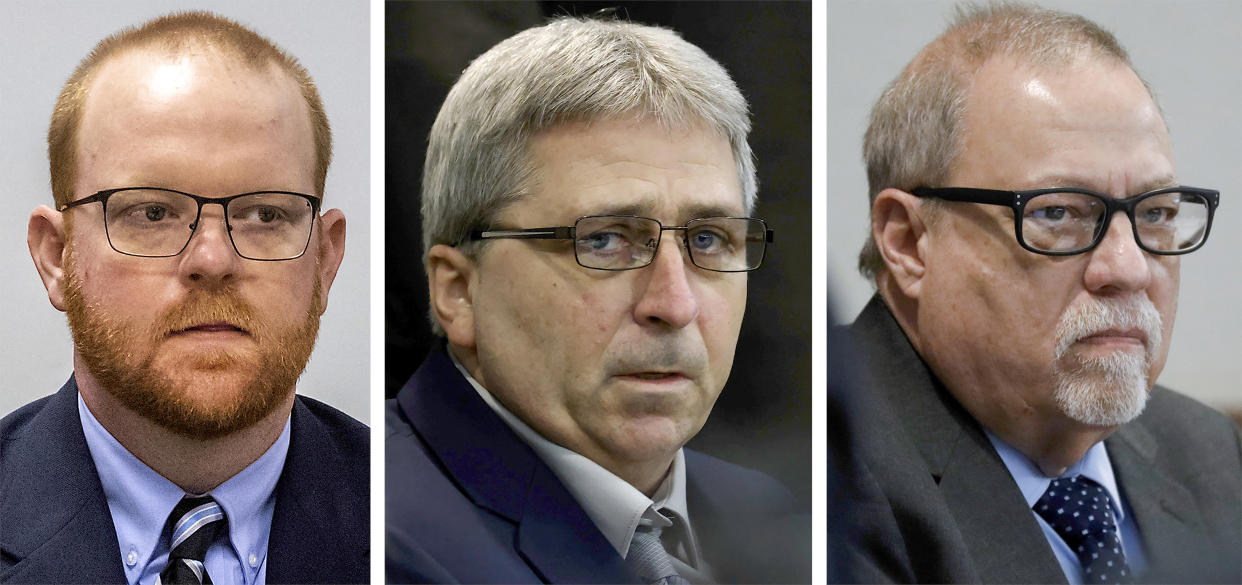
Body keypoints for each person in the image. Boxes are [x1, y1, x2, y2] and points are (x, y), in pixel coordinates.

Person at [386, 16, 807, 585]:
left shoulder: (774, 519)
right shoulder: (385, 543)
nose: (675, 304)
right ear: (458, 290)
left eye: (708, 239)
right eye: (604, 240)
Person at [846, 3, 1241, 583]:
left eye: (1155, 212)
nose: (1128, 269)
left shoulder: (1208, 454)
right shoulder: (832, 484)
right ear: (909, 242)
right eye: (1058, 213)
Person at [0, 12, 367, 584]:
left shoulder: (404, 521)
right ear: (55, 257)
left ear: (324, 260)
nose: (214, 262)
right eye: (151, 213)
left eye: (266, 214)